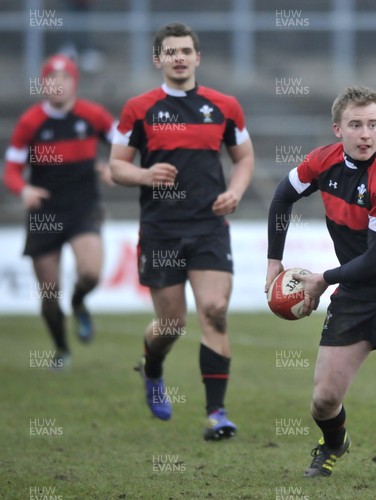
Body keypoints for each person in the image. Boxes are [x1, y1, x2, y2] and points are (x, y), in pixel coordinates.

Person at [265, 86, 376, 487]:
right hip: (359, 291)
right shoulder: (321, 161)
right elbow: (281, 198)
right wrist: (274, 263)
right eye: (355, 125)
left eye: (373, 125)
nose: (365, 134)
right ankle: (334, 443)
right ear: (337, 129)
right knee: (325, 401)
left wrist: (322, 280)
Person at [109, 23, 254, 439]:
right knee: (171, 324)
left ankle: (216, 414)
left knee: (214, 311)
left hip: (209, 226)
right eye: (170, 52)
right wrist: (144, 173)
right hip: (161, 231)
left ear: (197, 57)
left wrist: (236, 190)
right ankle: (152, 368)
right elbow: (115, 166)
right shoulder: (139, 108)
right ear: (158, 59)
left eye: (186, 51)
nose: (179, 57)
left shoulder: (224, 106)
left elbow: (244, 158)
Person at [3, 54, 115, 368]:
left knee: (91, 273)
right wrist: (23, 189)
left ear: (74, 83)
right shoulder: (30, 123)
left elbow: (125, 143)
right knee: (49, 293)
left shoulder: (93, 116)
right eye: (52, 79)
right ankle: (62, 349)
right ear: (43, 83)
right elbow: (10, 169)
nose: (58, 84)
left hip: (83, 208)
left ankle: (79, 303)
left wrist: (114, 168)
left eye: (65, 78)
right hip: (45, 212)